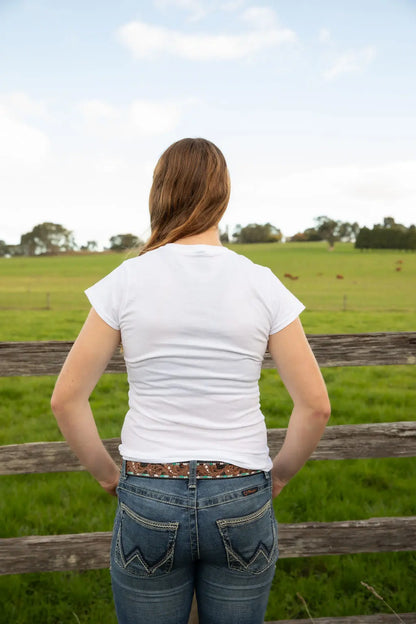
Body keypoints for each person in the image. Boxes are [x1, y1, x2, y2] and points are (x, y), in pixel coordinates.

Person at [51, 137, 330, 624]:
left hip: (149, 490)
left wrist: (105, 475)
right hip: (242, 489)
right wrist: (278, 475)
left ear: (159, 193)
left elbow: (67, 399)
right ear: (223, 195)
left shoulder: (127, 280)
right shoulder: (262, 283)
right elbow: (315, 406)